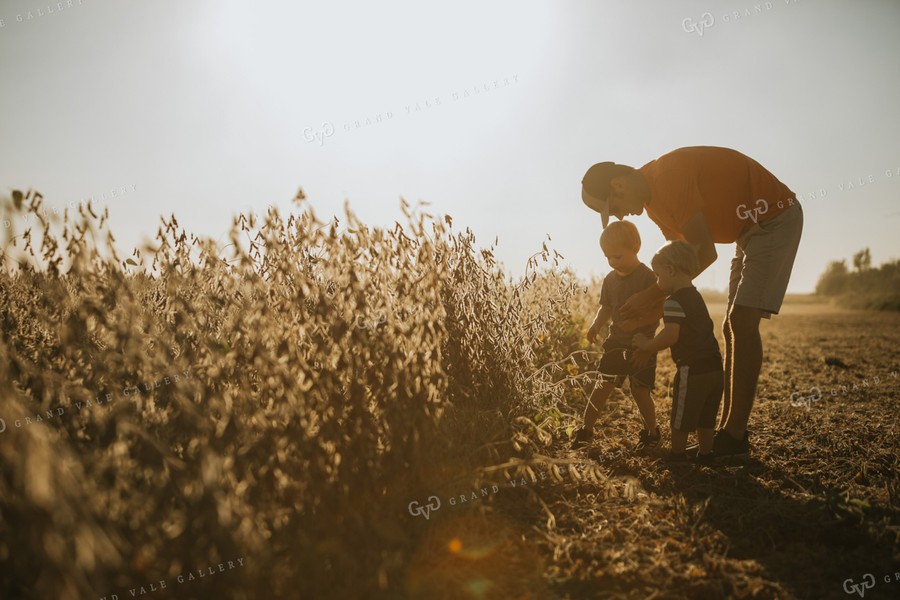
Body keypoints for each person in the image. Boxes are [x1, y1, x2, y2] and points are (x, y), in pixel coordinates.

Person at [581, 146, 803, 458]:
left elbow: (702, 254)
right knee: (731, 327)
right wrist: (649, 310)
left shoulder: (667, 177)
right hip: (747, 233)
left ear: (618, 184)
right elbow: (678, 269)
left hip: (774, 220)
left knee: (741, 322)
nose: (618, 215)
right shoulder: (653, 200)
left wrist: (648, 297)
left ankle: (734, 437)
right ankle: (728, 435)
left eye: (613, 207)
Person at [632, 241, 723, 465]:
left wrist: (646, 344)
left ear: (671, 270)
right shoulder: (697, 297)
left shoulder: (673, 302)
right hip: (715, 368)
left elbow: (670, 335)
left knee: (680, 417)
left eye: (658, 275)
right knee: (706, 417)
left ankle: (677, 455)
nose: (657, 281)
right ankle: (706, 454)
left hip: (691, 369)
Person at [572, 220, 660, 452]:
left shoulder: (649, 279)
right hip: (615, 343)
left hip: (643, 345)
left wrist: (641, 328)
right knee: (601, 387)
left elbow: (659, 311)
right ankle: (585, 430)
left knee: (640, 391)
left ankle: (652, 433)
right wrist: (596, 324)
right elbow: (606, 308)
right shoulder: (610, 280)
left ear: (636, 247)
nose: (613, 262)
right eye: (608, 257)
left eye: (618, 256)